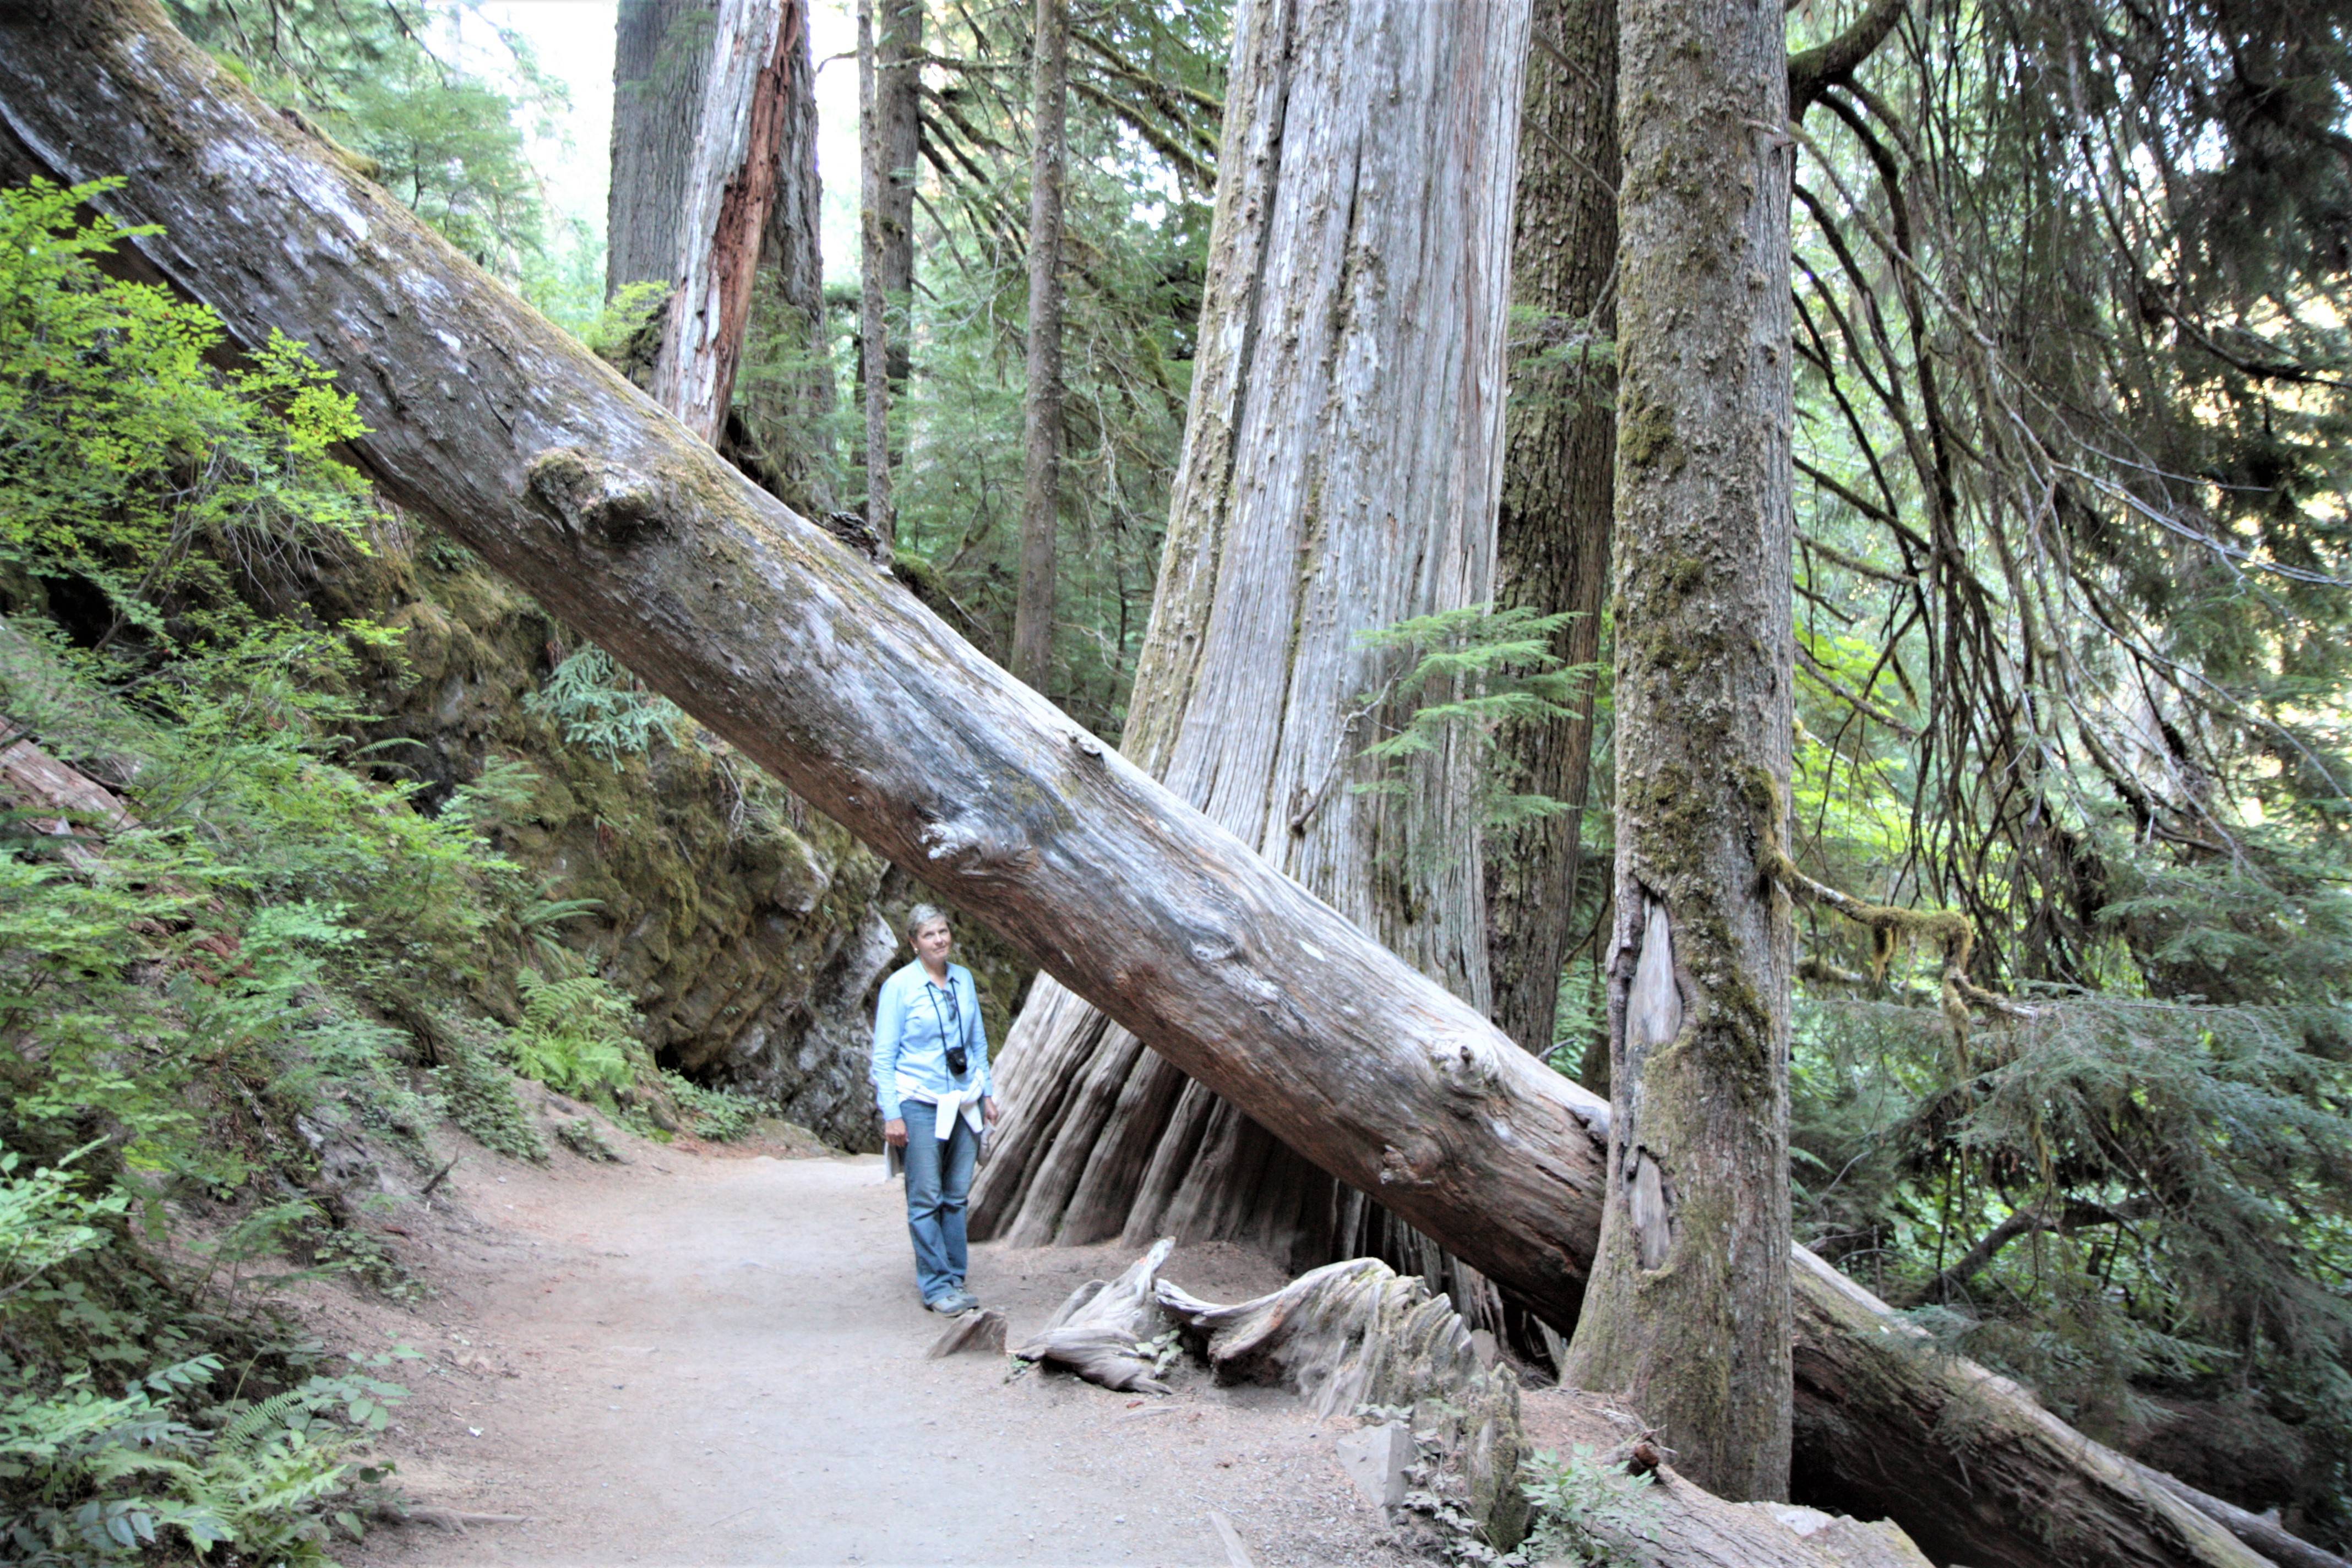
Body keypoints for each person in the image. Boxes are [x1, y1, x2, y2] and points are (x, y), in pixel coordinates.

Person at [870, 904, 999, 1315]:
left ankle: (955, 1276)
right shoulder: (899, 987)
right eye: (929, 935)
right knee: (926, 1195)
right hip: (919, 1101)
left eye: (943, 931)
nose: (939, 940)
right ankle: (936, 1285)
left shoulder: (963, 980)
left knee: (957, 1195)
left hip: (964, 1100)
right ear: (913, 942)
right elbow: (884, 1056)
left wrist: (988, 1092)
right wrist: (892, 1112)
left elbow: (978, 1041)